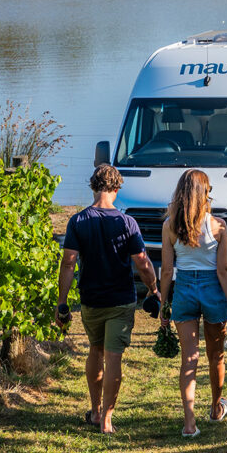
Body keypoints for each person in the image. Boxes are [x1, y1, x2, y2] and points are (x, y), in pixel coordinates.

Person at [56, 164, 160, 434]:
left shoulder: (78, 221)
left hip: (91, 299)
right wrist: (153, 288)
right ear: (116, 189)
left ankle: (95, 410)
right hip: (120, 300)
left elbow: (68, 263)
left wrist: (62, 301)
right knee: (114, 358)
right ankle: (108, 420)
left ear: (93, 187)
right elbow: (143, 262)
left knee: (95, 350)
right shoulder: (127, 222)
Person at [159, 169, 227, 438]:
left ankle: (189, 423)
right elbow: (224, 271)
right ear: (205, 193)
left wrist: (163, 306)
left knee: (189, 359)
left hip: (184, 291)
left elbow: (167, 271)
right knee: (215, 356)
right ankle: (216, 408)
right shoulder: (218, 227)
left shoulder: (170, 225)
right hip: (212, 290)